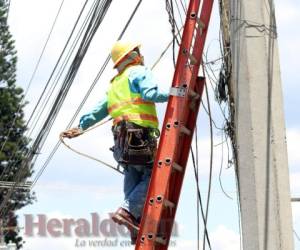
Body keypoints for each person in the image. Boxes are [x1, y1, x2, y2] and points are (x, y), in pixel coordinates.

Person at [61, 41, 168, 243]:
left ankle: (135, 224)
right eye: (136, 51)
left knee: (133, 175)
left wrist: (81, 127)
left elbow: (98, 110)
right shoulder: (137, 72)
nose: (140, 54)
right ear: (129, 57)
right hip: (140, 137)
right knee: (154, 174)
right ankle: (127, 212)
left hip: (121, 143)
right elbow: (150, 93)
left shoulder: (115, 84)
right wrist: (177, 92)